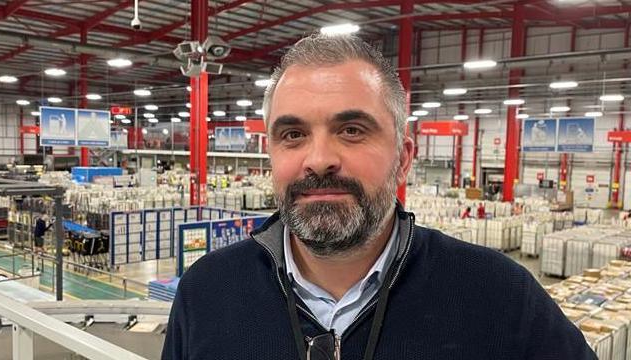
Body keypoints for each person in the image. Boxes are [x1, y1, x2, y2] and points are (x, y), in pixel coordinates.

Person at [162, 33, 595, 359]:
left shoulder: (499, 295)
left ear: (404, 158)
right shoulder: (207, 291)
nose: (319, 159)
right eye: (293, 134)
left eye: (351, 131)